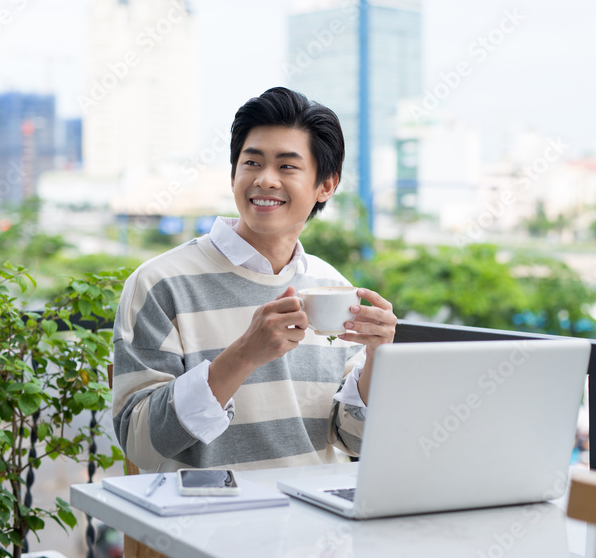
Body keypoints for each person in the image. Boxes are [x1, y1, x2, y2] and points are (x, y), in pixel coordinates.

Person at [112, 86, 397, 473]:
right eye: (252, 163)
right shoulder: (160, 284)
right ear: (233, 175)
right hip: (206, 522)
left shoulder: (332, 286)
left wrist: (379, 358)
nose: (265, 180)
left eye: (287, 166)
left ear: (326, 185)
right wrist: (244, 354)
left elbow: (353, 439)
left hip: (315, 517)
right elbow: (139, 443)